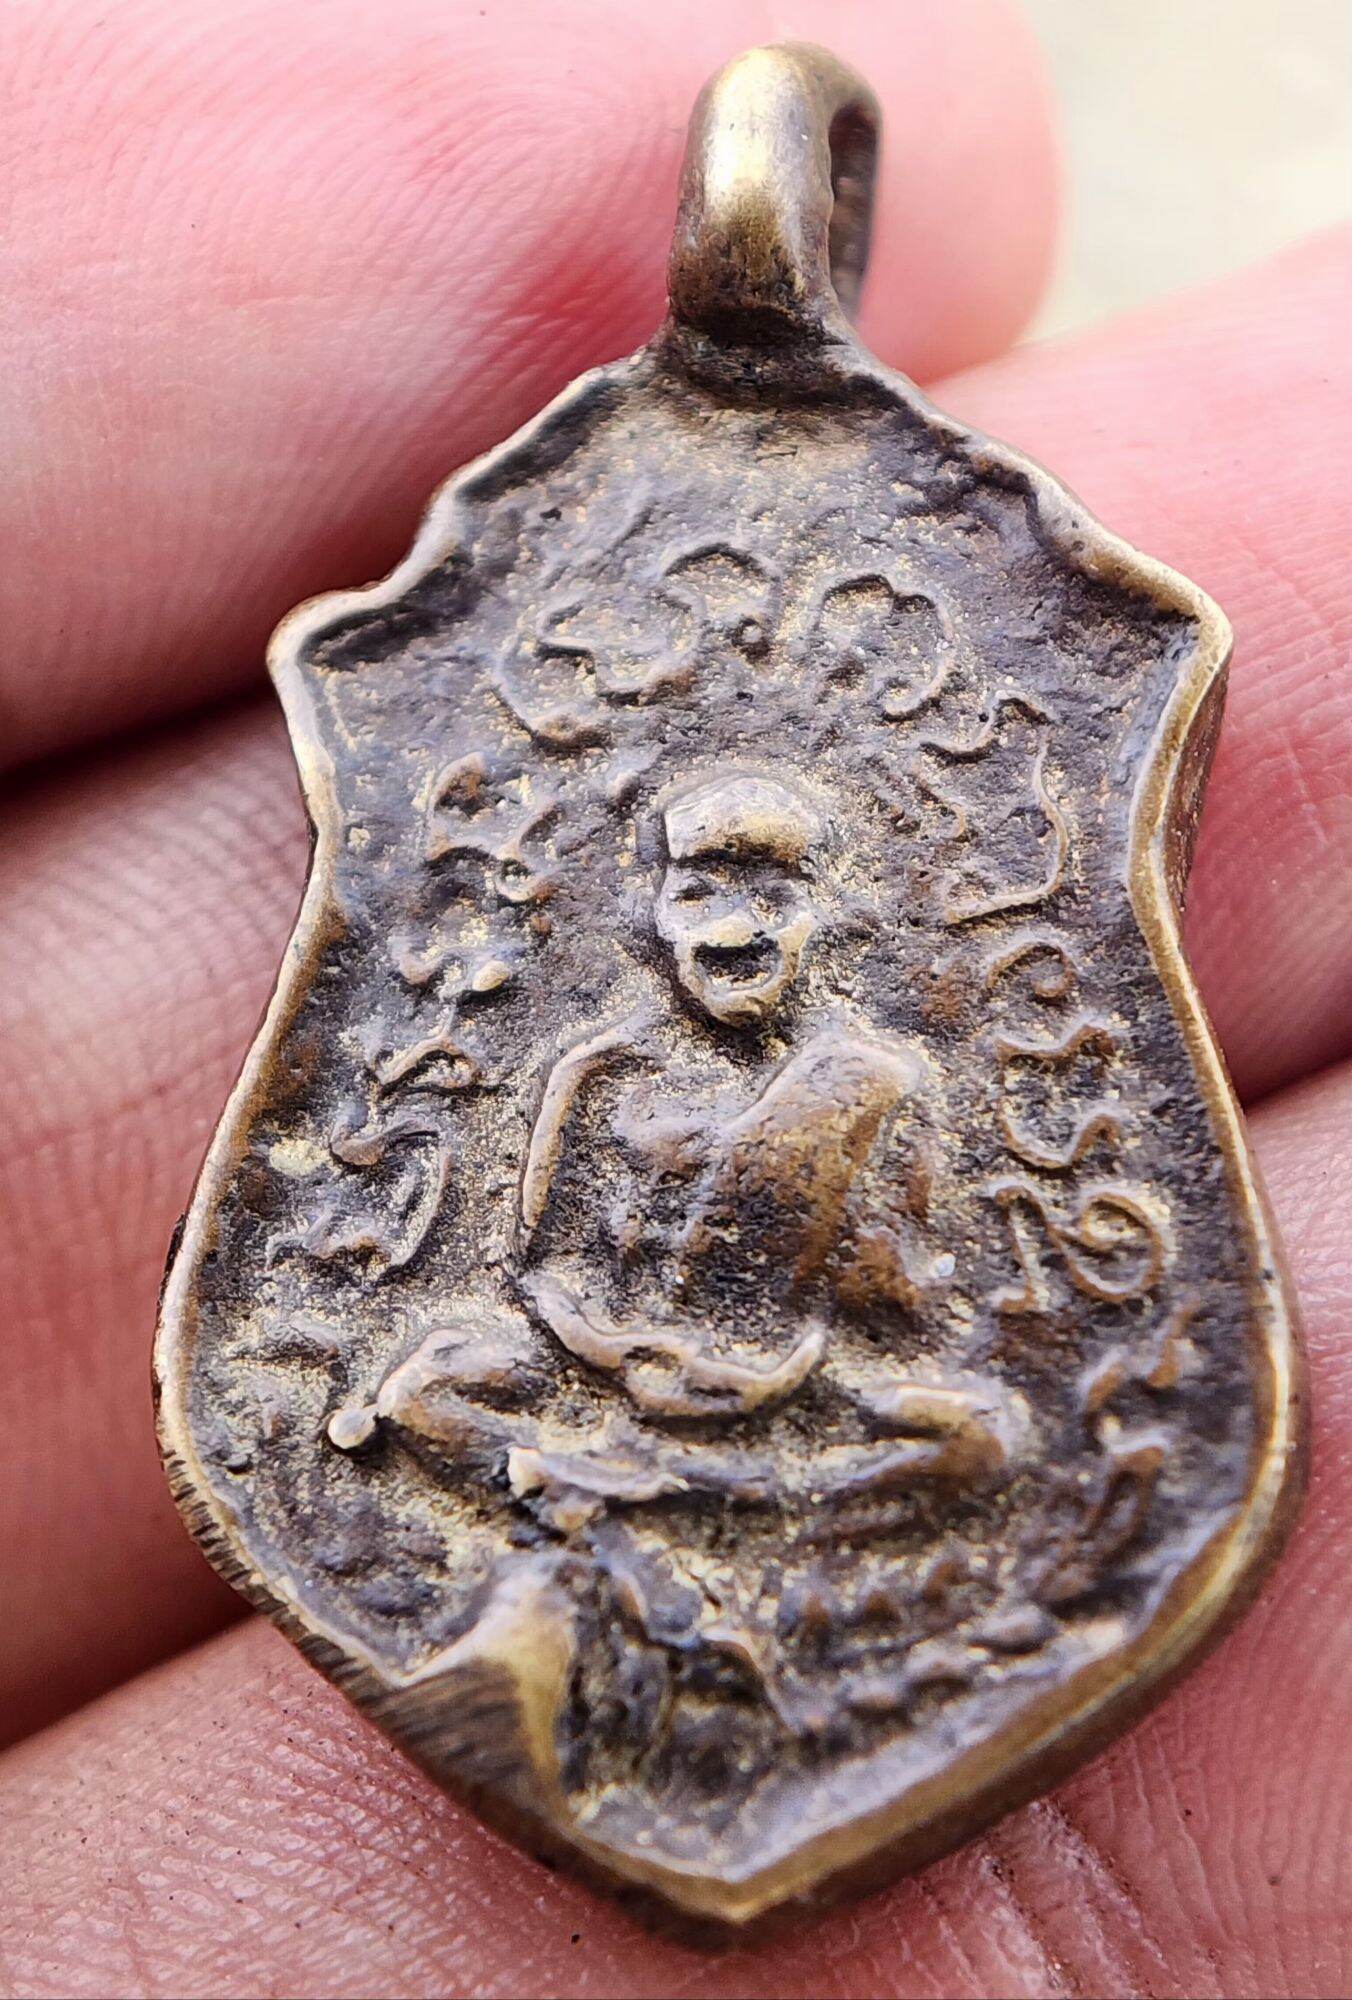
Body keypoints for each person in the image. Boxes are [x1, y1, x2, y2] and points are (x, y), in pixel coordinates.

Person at [1, 2, 1347, 1994]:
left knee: (980, 1437)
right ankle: (601, 1533)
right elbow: (543, 1272)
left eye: (764, 897)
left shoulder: (879, 1079)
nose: (728, 928)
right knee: (418, 1380)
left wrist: (766, 1386)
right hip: (596, 1397)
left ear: (820, 923)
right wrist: (601, 1366)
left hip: (786, 1415)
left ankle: (601, 1552)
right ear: (643, 914)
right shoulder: (601, 1068)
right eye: (697, 891)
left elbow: (902, 1315)